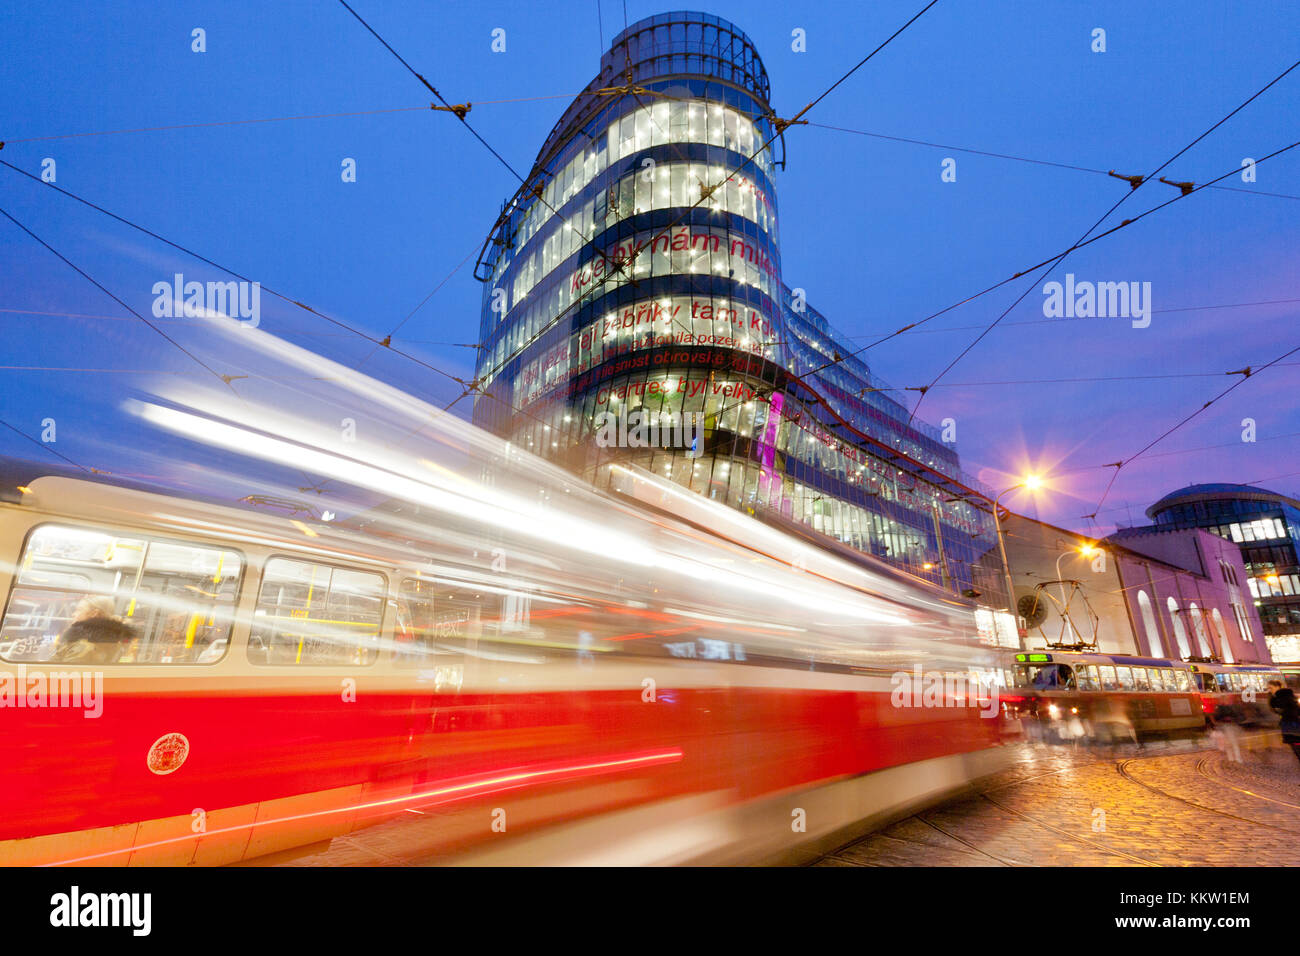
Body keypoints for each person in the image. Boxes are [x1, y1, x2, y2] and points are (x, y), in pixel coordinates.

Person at [51, 596, 135, 665]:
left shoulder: (84, 645)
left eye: (79, 610)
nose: (73, 614)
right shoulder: (110, 639)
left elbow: (65, 676)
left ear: (94, 613)